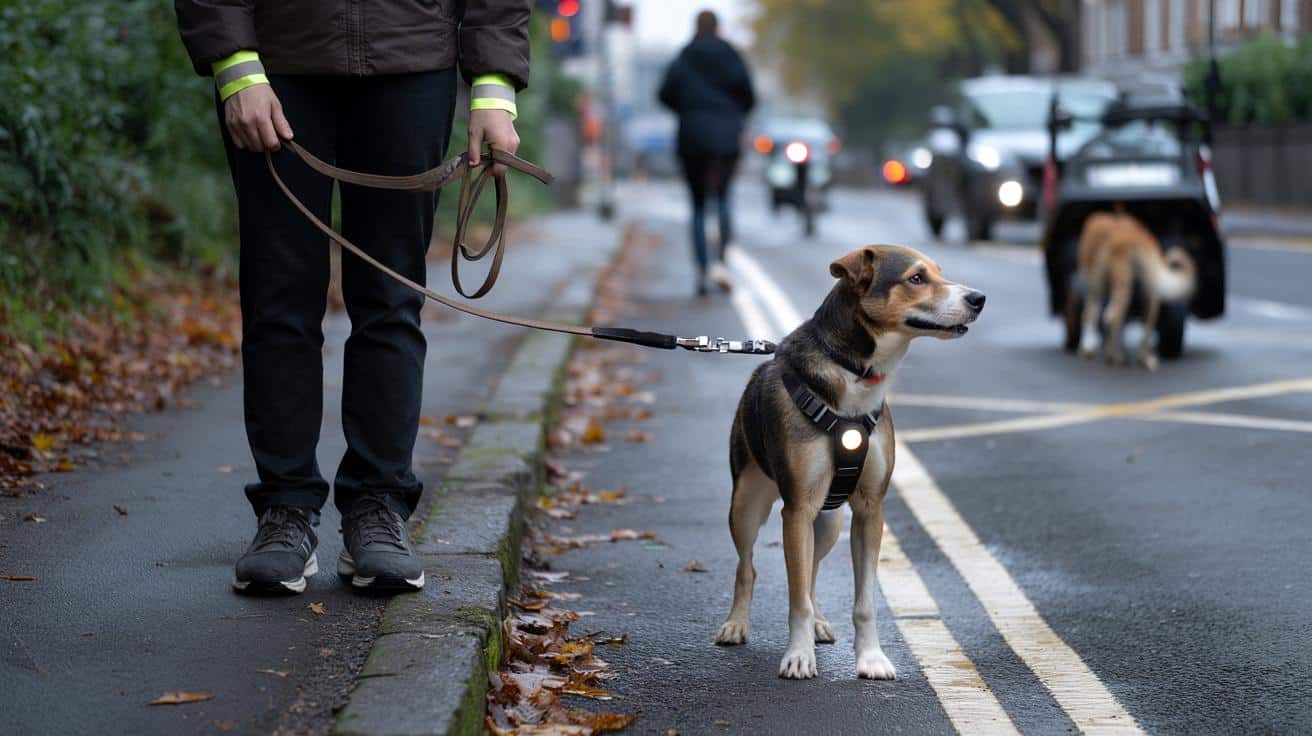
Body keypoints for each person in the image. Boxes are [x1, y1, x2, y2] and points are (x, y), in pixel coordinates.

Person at [174, 0, 529, 595]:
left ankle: (378, 507)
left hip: (413, 58)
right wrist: (233, 61)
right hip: (278, 63)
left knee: (391, 300)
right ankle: (284, 510)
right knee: (278, 299)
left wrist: (494, 86)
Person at [658, 10, 755, 296]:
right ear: (718, 28)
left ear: (696, 28)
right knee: (724, 197)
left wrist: (688, 111)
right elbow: (749, 96)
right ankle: (722, 262)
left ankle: (702, 269)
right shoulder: (731, 55)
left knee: (698, 205)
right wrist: (734, 114)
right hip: (726, 137)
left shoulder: (684, 56)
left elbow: (664, 94)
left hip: (693, 138)